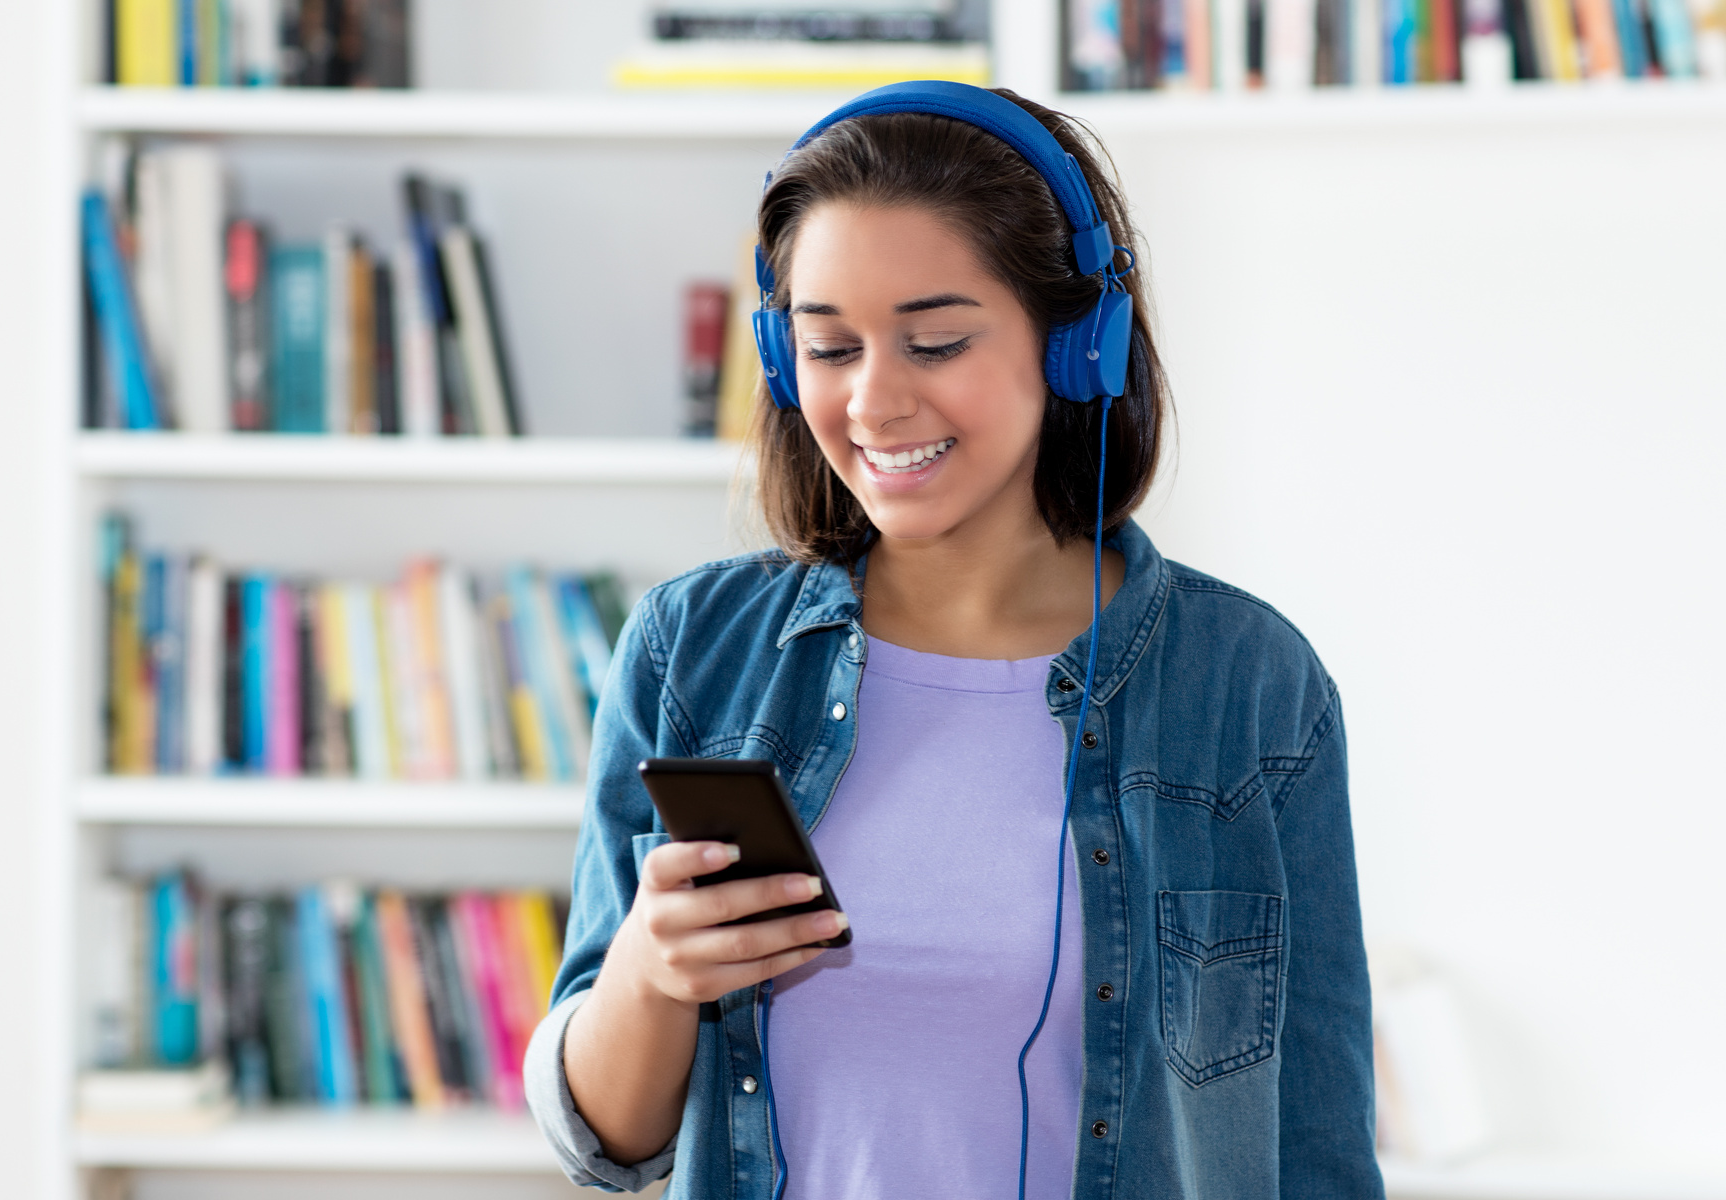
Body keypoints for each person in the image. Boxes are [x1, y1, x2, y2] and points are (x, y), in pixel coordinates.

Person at [525, 83, 1381, 1200]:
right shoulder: (696, 651)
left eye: (933, 342)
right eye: (829, 349)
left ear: (1077, 346)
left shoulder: (1248, 687)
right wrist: (649, 970)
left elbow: (1314, 1151)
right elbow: (606, 1142)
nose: (874, 404)